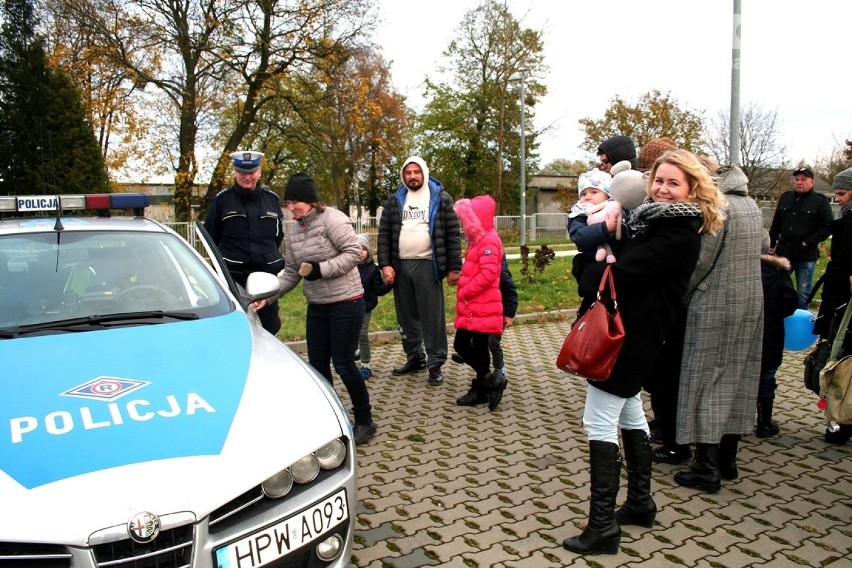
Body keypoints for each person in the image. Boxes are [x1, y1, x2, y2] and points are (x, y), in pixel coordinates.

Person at [562, 150, 726, 556]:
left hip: (631, 338)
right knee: (631, 410)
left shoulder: (678, 232)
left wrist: (584, 269)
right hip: (635, 333)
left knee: (598, 421)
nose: (663, 189)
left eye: (674, 183)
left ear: (692, 188)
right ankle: (640, 503)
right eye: (659, 180)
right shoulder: (651, 220)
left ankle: (601, 527)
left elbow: (612, 274)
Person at [254, 173, 376, 445]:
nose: (292, 207)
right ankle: (330, 419)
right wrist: (268, 296)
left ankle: (365, 420)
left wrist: (320, 270)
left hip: (347, 302)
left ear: (311, 200)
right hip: (317, 306)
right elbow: (291, 271)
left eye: (296, 201)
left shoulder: (334, 219)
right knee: (318, 366)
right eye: (289, 202)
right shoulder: (294, 229)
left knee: (343, 363)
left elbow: (354, 254)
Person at [673, 164, 764, 493]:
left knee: (705, 381)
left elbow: (701, 262)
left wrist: (678, 295)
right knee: (737, 378)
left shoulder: (718, 207)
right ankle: (728, 460)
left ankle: (705, 466)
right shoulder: (752, 206)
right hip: (751, 301)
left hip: (714, 304)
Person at [377, 156, 462, 385]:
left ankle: (435, 363)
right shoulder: (395, 201)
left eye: (416, 172)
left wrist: (454, 267)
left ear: (424, 173)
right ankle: (415, 357)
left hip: (428, 265)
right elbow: (384, 235)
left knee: (431, 317)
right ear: (403, 176)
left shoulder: (440, 198)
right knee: (406, 316)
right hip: (400, 265)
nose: (412, 176)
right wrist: (385, 264)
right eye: (408, 172)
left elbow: (453, 234)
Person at [205, 150, 285, 334]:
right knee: (237, 326)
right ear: (234, 172)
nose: (247, 177)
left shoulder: (271, 200)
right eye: (242, 172)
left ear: (259, 172)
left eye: (251, 172)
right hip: (233, 276)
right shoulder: (221, 201)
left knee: (271, 326)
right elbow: (211, 237)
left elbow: (277, 236)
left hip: (265, 276)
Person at [452, 195, 507, 411]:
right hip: (476, 307)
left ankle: (489, 381)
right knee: (476, 347)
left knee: (463, 345)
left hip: (481, 305)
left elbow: (489, 273)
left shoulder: (489, 241)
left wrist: (465, 291)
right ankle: (485, 386)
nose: (465, 224)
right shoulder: (479, 239)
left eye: (468, 219)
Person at [813, 167, 852, 445]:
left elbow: (843, 262)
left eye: (841, 193)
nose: (837, 199)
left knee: (841, 361)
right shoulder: (846, 218)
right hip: (841, 299)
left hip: (844, 305)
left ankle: (842, 421)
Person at [768, 165, 833, 309]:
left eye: (803, 179)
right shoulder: (786, 198)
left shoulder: (820, 201)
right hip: (784, 252)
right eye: (797, 179)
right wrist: (771, 245)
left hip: (805, 254)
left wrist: (808, 241)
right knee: (777, 286)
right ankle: (779, 318)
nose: (799, 182)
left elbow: (827, 226)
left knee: (803, 292)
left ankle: (800, 319)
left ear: (812, 182)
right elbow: (776, 224)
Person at [756, 231, 799, 439]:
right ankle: (764, 423)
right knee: (766, 379)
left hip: (743, 333)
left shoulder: (740, 271)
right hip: (771, 334)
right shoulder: (778, 273)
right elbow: (790, 303)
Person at [451, 252, 518, 382]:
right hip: (484, 313)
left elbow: (511, 293)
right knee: (477, 342)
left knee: (493, 343)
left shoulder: (501, 273)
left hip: (498, 314)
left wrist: (509, 315)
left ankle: (499, 370)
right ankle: (482, 372)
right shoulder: (480, 268)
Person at [356, 233, 392, 380]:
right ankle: (356, 352)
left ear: (368, 251)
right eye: (356, 249)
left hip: (365, 306)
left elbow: (378, 290)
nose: (360, 252)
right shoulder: (348, 267)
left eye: (363, 249)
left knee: (362, 334)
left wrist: (388, 284)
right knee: (350, 332)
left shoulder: (372, 270)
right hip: (348, 306)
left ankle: (366, 365)